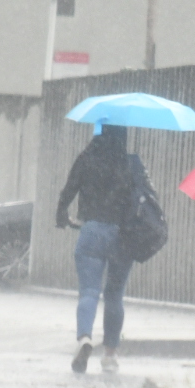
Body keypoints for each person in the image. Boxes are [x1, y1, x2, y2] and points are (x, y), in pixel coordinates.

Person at [56, 125, 137, 374]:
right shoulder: (130, 163)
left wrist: (61, 215)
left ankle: (84, 338)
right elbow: (141, 199)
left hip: (91, 231)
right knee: (114, 295)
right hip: (122, 236)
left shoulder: (87, 157)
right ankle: (110, 355)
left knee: (89, 292)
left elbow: (69, 189)